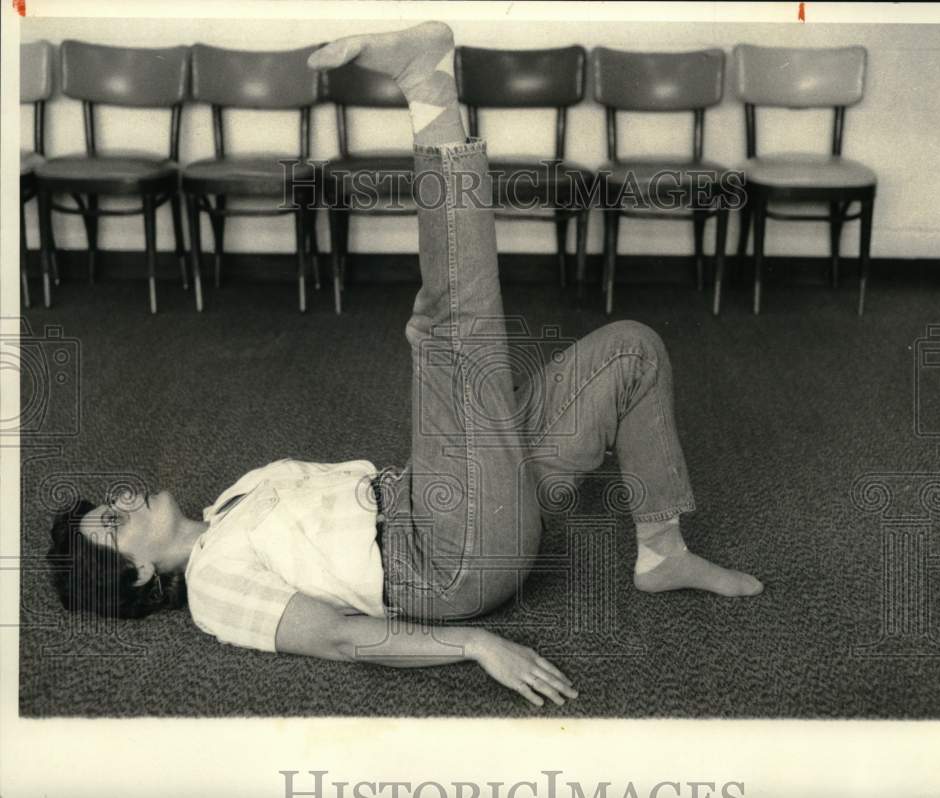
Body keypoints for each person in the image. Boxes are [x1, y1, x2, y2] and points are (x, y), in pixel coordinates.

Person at [47, 22, 763, 709]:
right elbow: (336, 639)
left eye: (111, 502)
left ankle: (661, 554)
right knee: (449, 329)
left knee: (631, 351)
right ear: (139, 574)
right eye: (113, 520)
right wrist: (474, 645)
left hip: (450, 506)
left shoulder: (229, 503)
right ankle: (427, 83)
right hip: (444, 560)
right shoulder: (212, 591)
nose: (126, 498)